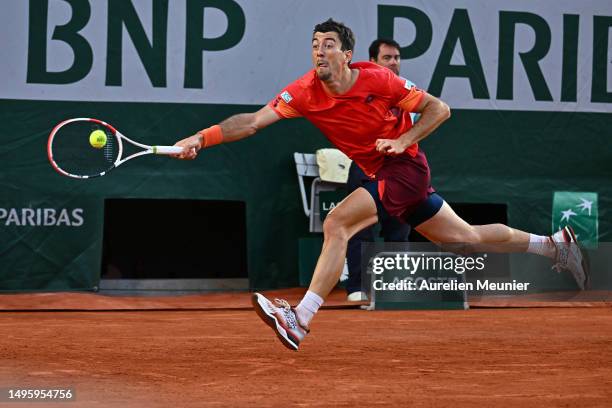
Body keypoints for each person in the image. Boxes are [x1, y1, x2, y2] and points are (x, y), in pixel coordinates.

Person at [172, 19, 589, 351]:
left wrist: (403, 140)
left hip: (404, 169)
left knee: (338, 224)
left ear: (347, 54)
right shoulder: (303, 92)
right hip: (383, 175)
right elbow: (252, 121)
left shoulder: (378, 80)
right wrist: (200, 138)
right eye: (315, 43)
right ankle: (553, 244)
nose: (319, 50)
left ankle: (301, 318)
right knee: (465, 236)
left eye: (329, 44)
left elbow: (439, 110)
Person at [345, 38, 413, 302]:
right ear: (373, 62)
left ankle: (397, 286)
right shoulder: (360, 89)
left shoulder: (408, 92)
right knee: (359, 228)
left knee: (399, 228)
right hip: (365, 168)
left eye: (397, 57)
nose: (394, 62)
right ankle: (357, 287)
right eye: (388, 58)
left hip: (398, 171)